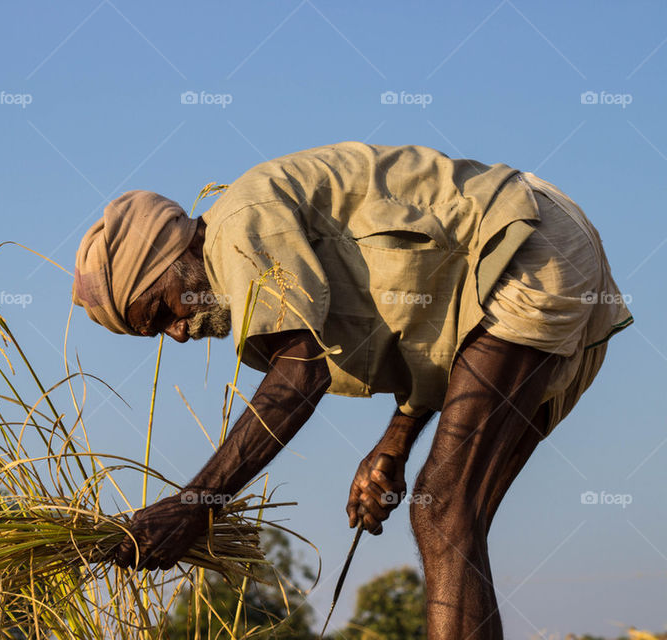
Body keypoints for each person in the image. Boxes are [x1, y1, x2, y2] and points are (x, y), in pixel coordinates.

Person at [71, 142, 632, 640]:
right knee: (456, 520)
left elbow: (301, 374)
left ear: (169, 258)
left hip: (526, 247)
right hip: (529, 254)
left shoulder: (238, 224)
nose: (176, 331)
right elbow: (434, 326)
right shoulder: (251, 276)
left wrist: (194, 506)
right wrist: (395, 441)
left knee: (444, 514)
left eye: (160, 311)